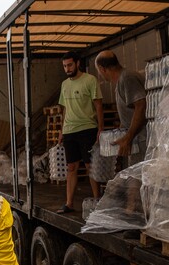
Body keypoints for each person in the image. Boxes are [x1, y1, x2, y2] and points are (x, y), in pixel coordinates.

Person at [57, 51, 103, 214]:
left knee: (91, 166)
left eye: (69, 65)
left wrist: (100, 128)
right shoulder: (64, 84)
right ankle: (69, 203)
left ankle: (98, 202)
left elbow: (98, 105)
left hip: (88, 129)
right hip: (70, 130)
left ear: (77, 63)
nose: (67, 69)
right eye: (64, 66)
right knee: (71, 166)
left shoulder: (90, 80)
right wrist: (62, 130)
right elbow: (64, 109)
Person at [94, 50, 147, 167]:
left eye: (99, 71)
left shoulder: (127, 78)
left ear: (102, 69)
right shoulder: (121, 81)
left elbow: (141, 106)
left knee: (140, 179)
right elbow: (130, 112)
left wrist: (128, 137)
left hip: (143, 139)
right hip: (135, 140)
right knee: (134, 179)